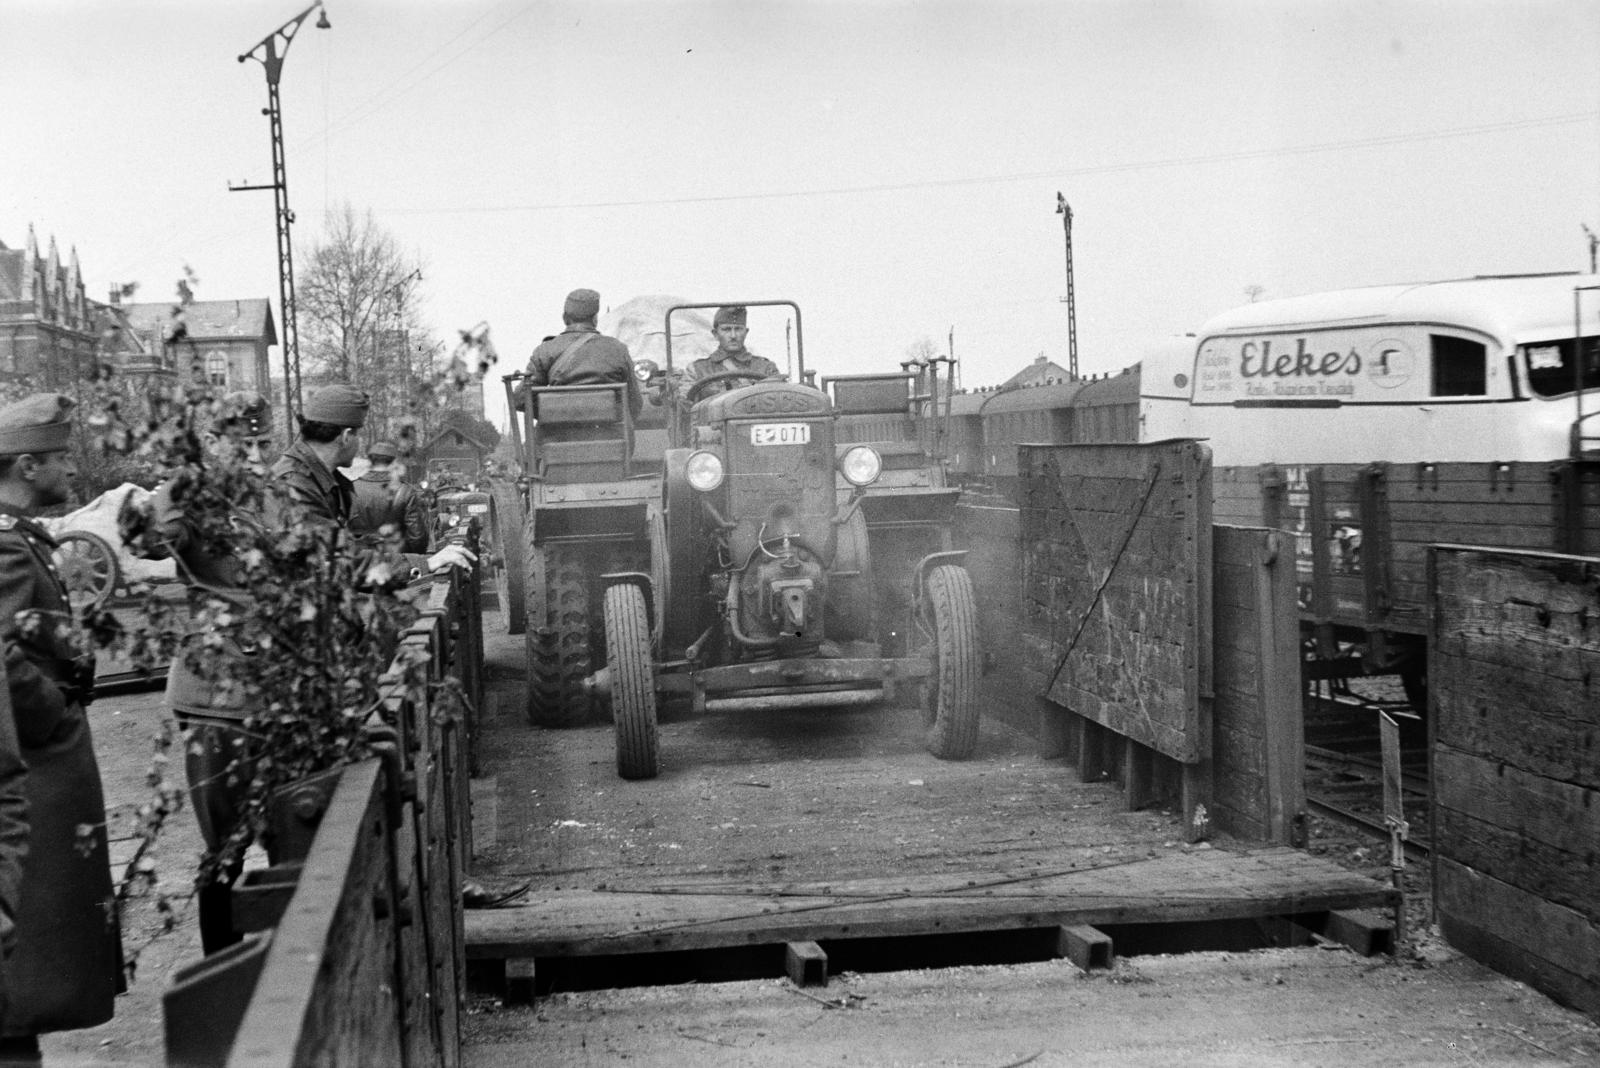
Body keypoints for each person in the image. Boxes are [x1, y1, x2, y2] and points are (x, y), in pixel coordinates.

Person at [133, 391, 279, 955]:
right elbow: (148, 542)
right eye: (246, 445)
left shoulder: (264, 496)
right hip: (216, 694)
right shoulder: (190, 497)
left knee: (296, 826)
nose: (258, 456)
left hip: (273, 689)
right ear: (213, 443)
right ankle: (222, 968)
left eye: (265, 443)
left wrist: (416, 563)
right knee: (226, 847)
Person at [0, 394, 122, 1063]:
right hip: (33, 779)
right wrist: (54, 712)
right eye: (58, 457)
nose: (71, 468)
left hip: (38, 770)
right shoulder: (7, 549)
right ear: (26, 465)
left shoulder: (22, 538)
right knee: (26, 963)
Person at [272, 383, 474, 574]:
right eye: (358, 435)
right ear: (346, 436)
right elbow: (338, 559)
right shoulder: (295, 483)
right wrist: (425, 562)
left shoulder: (320, 478)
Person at [518, 288, 642, 420]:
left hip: (554, 436)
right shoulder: (618, 349)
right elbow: (635, 403)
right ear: (595, 319)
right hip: (611, 434)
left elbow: (521, 399)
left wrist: (550, 413)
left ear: (565, 318)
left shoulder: (544, 351)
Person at [678, 305, 783, 404]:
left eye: (738, 329)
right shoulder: (697, 370)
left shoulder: (766, 368)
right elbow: (684, 407)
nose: (733, 336)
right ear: (715, 334)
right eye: (726, 329)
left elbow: (781, 401)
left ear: (746, 332)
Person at [349, 440, 429, 553]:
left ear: (370, 461)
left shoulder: (349, 488)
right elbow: (417, 537)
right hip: (396, 563)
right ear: (393, 463)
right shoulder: (405, 491)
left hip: (359, 562)